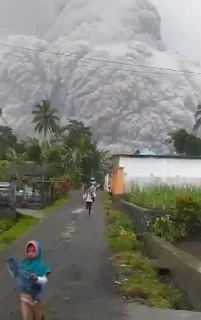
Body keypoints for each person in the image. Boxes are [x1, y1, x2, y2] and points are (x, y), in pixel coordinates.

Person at [8, 240, 51, 320]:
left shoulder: (41, 266)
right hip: (24, 296)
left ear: (38, 252)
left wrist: (37, 278)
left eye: (33, 251)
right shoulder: (23, 264)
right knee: (26, 317)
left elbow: (45, 281)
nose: (30, 253)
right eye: (28, 251)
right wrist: (14, 271)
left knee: (37, 317)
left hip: (36, 297)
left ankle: (41, 316)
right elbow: (18, 276)